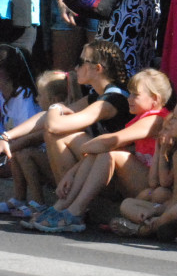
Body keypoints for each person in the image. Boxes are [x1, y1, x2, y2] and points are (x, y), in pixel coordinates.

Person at [29, 68, 171, 233]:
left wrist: (84, 147)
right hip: (141, 181)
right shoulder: (142, 117)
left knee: (109, 152)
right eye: (130, 93)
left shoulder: (155, 119)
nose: (129, 99)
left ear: (155, 99)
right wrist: (72, 172)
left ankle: (75, 211)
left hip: (153, 187)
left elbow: (112, 141)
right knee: (105, 151)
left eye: (135, 95)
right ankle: (62, 206)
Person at [3, 40, 130, 205]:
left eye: (81, 62)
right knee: (51, 133)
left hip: (117, 180)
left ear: (97, 68)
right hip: (97, 169)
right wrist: (6, 136)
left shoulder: (111, 101)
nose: (76, 68)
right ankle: (65, 203)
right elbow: (46, 116)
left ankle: (66, 205)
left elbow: (54, 124)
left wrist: (57, 106)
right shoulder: (97, 96)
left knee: (57, 133)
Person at [111, 95, 177, 240]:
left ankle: (143, 230)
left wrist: (160, 212)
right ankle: (161, 224)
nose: (171, 122)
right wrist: (158, 210)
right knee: (127, 204)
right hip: (176, 207)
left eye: (176, 118)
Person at [0, 48, 45, 216]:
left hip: (34, 151)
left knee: (20, 152)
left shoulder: (24, 97)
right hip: (11, 149)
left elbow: (31, 138)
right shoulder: (2, 95)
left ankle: (36, 202)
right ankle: (18, 199)